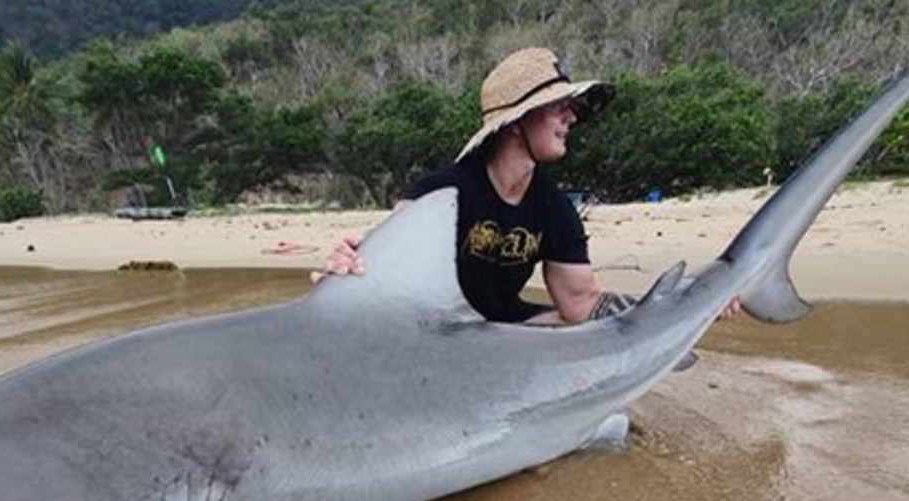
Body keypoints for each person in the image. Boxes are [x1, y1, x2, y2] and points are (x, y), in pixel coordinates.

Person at [312, 47, 739, 324]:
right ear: (515, 121)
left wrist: (684, 302)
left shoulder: (554, 210)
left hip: (504, 329)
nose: (571, 117)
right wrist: (349, 266)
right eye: (558, 107)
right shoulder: (442, 194)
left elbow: (582, 306)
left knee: (579, 330)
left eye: (571, 108)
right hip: (432, 328)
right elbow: (372, 266)